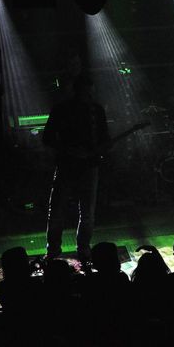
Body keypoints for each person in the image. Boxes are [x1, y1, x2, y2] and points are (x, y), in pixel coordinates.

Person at [43, 75, 110, 266]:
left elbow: (104, 138)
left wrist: (101, 149)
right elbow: (48, 138)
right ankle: (60, 250)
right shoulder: (63, 110)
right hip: (68, 166)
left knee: (79, 212)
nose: (89, 94)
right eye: (86, 90)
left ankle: (76, 250)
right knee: (62, 211)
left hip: (86, 166)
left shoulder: (96, 110)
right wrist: (70, 150)